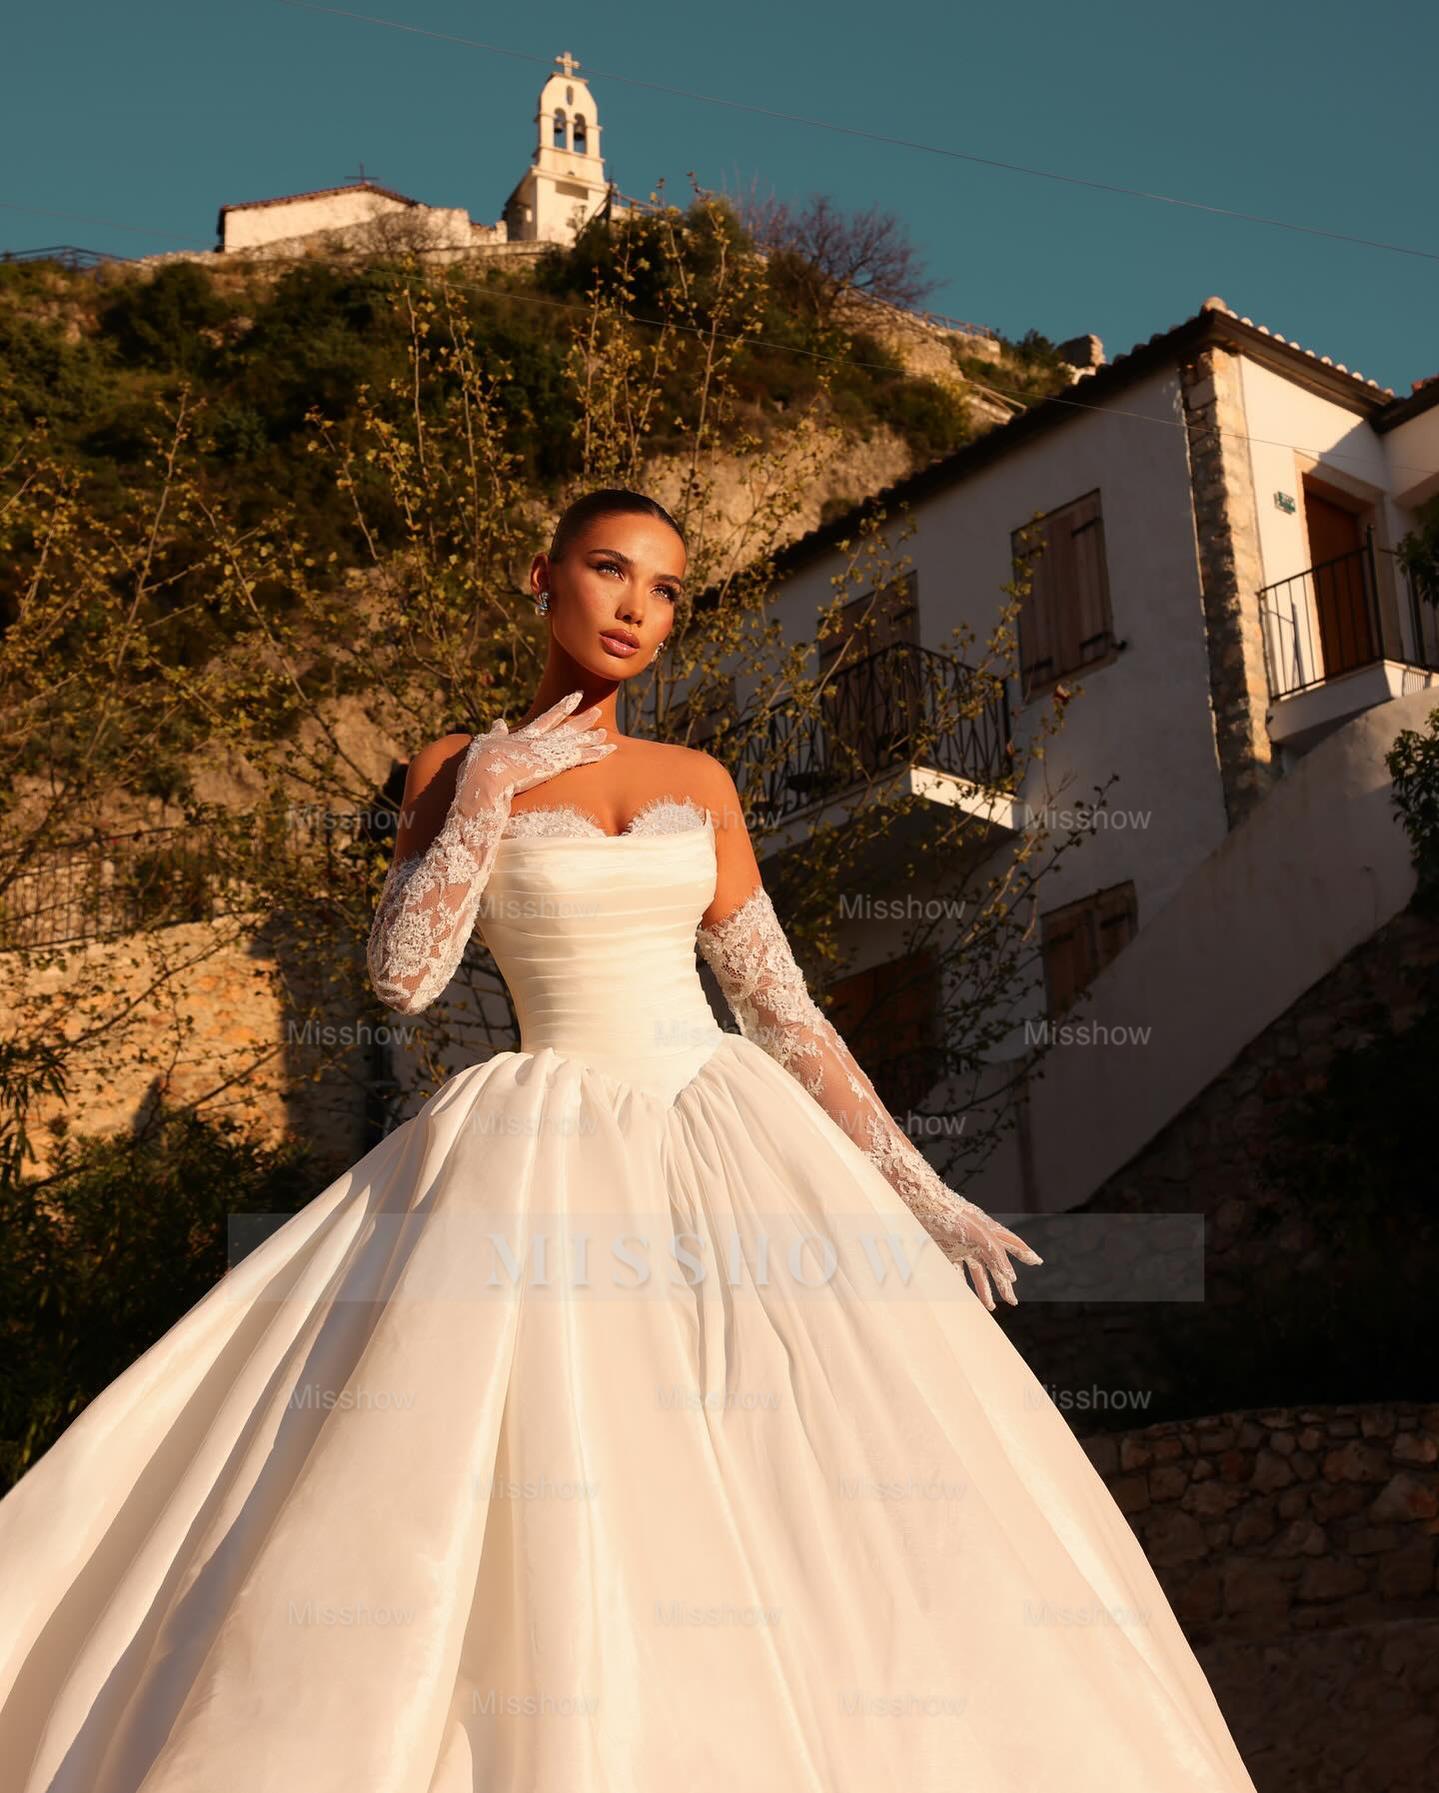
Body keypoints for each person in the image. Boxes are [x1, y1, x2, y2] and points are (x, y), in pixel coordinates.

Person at [0, 488, 1259, 1791]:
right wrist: (484, 790)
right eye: (611, 570)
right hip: (542, 1147)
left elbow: (786, 1012)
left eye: (664, 590)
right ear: (545, 576)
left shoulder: (698, 782)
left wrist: (923, 1194)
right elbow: (401, 975)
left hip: (730, 1136)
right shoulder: (455, 765)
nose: (636, 609)